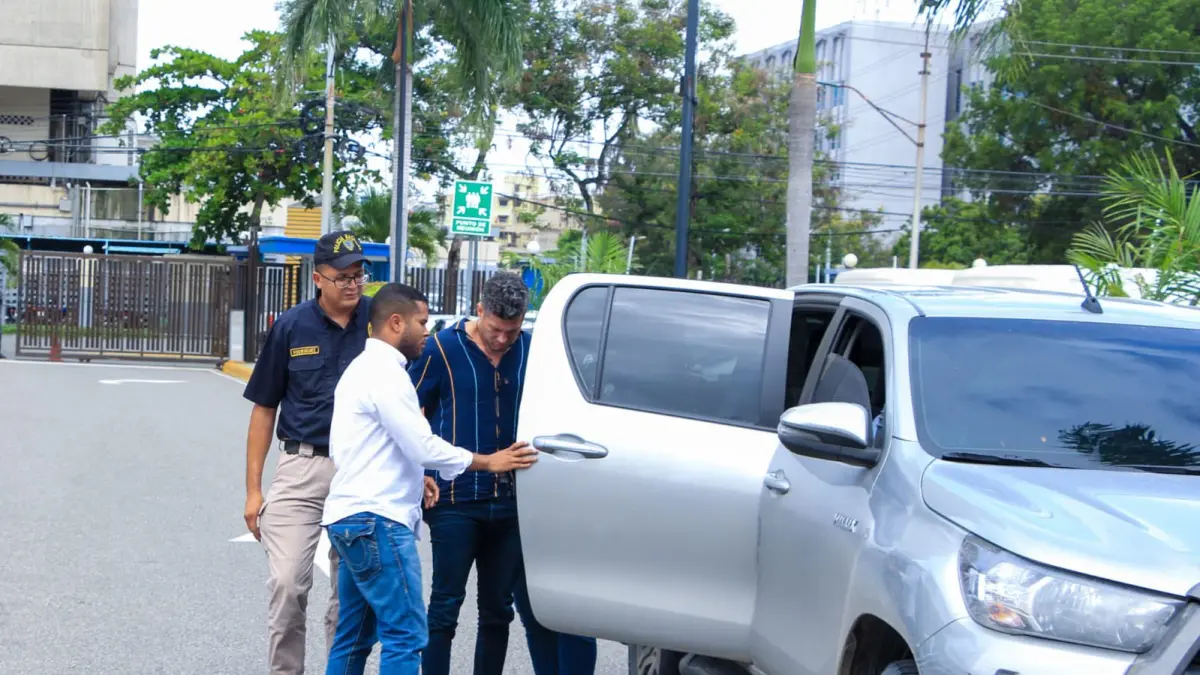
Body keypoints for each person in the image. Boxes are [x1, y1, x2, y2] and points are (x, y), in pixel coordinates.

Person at [322, 282, 538, 675]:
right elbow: (422, 444)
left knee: (353, 639)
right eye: (422, 322)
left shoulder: (362, 369)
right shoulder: (388, 375)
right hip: (380, 521)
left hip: (350, 516)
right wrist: (488, 462)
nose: (427, 330)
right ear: (395, 322)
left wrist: (415, 474)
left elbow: (356, 448)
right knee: (406, 635)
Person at [410, 271, 596, 675]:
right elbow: (409, 415)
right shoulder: (441, 349)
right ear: (479, 311)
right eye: (495, 329)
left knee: (498, 612)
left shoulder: (532, 352)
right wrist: (420, 470)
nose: (502, 339)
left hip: (513, 504)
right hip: (454, 500)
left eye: (511, 331)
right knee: (444, 608)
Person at [241, 230, 371, 675]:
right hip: (301, 467)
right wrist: (253, 492)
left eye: (359, 275)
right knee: (287, 584)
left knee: (351, 592)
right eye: (342, 277)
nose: (353, 285)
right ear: (318, 278)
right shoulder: (292, 326)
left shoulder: (379, 325)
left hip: (362, 470)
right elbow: (263, 410)